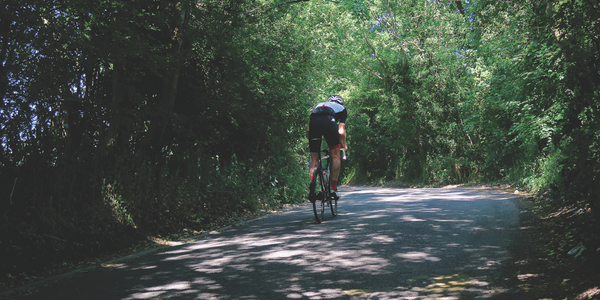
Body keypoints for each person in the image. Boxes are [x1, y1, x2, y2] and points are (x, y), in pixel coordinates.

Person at [307, 94, 348, 201]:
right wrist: (343, 145)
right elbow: (341, 131)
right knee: (335, 156)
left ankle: (312, 184)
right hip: (329, 121)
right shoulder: (342, 109)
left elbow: (308, 130)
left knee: (314, 158)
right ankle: (333, 188)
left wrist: (311, 142)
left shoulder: (319, 106)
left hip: (314, 122)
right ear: (341, 103)